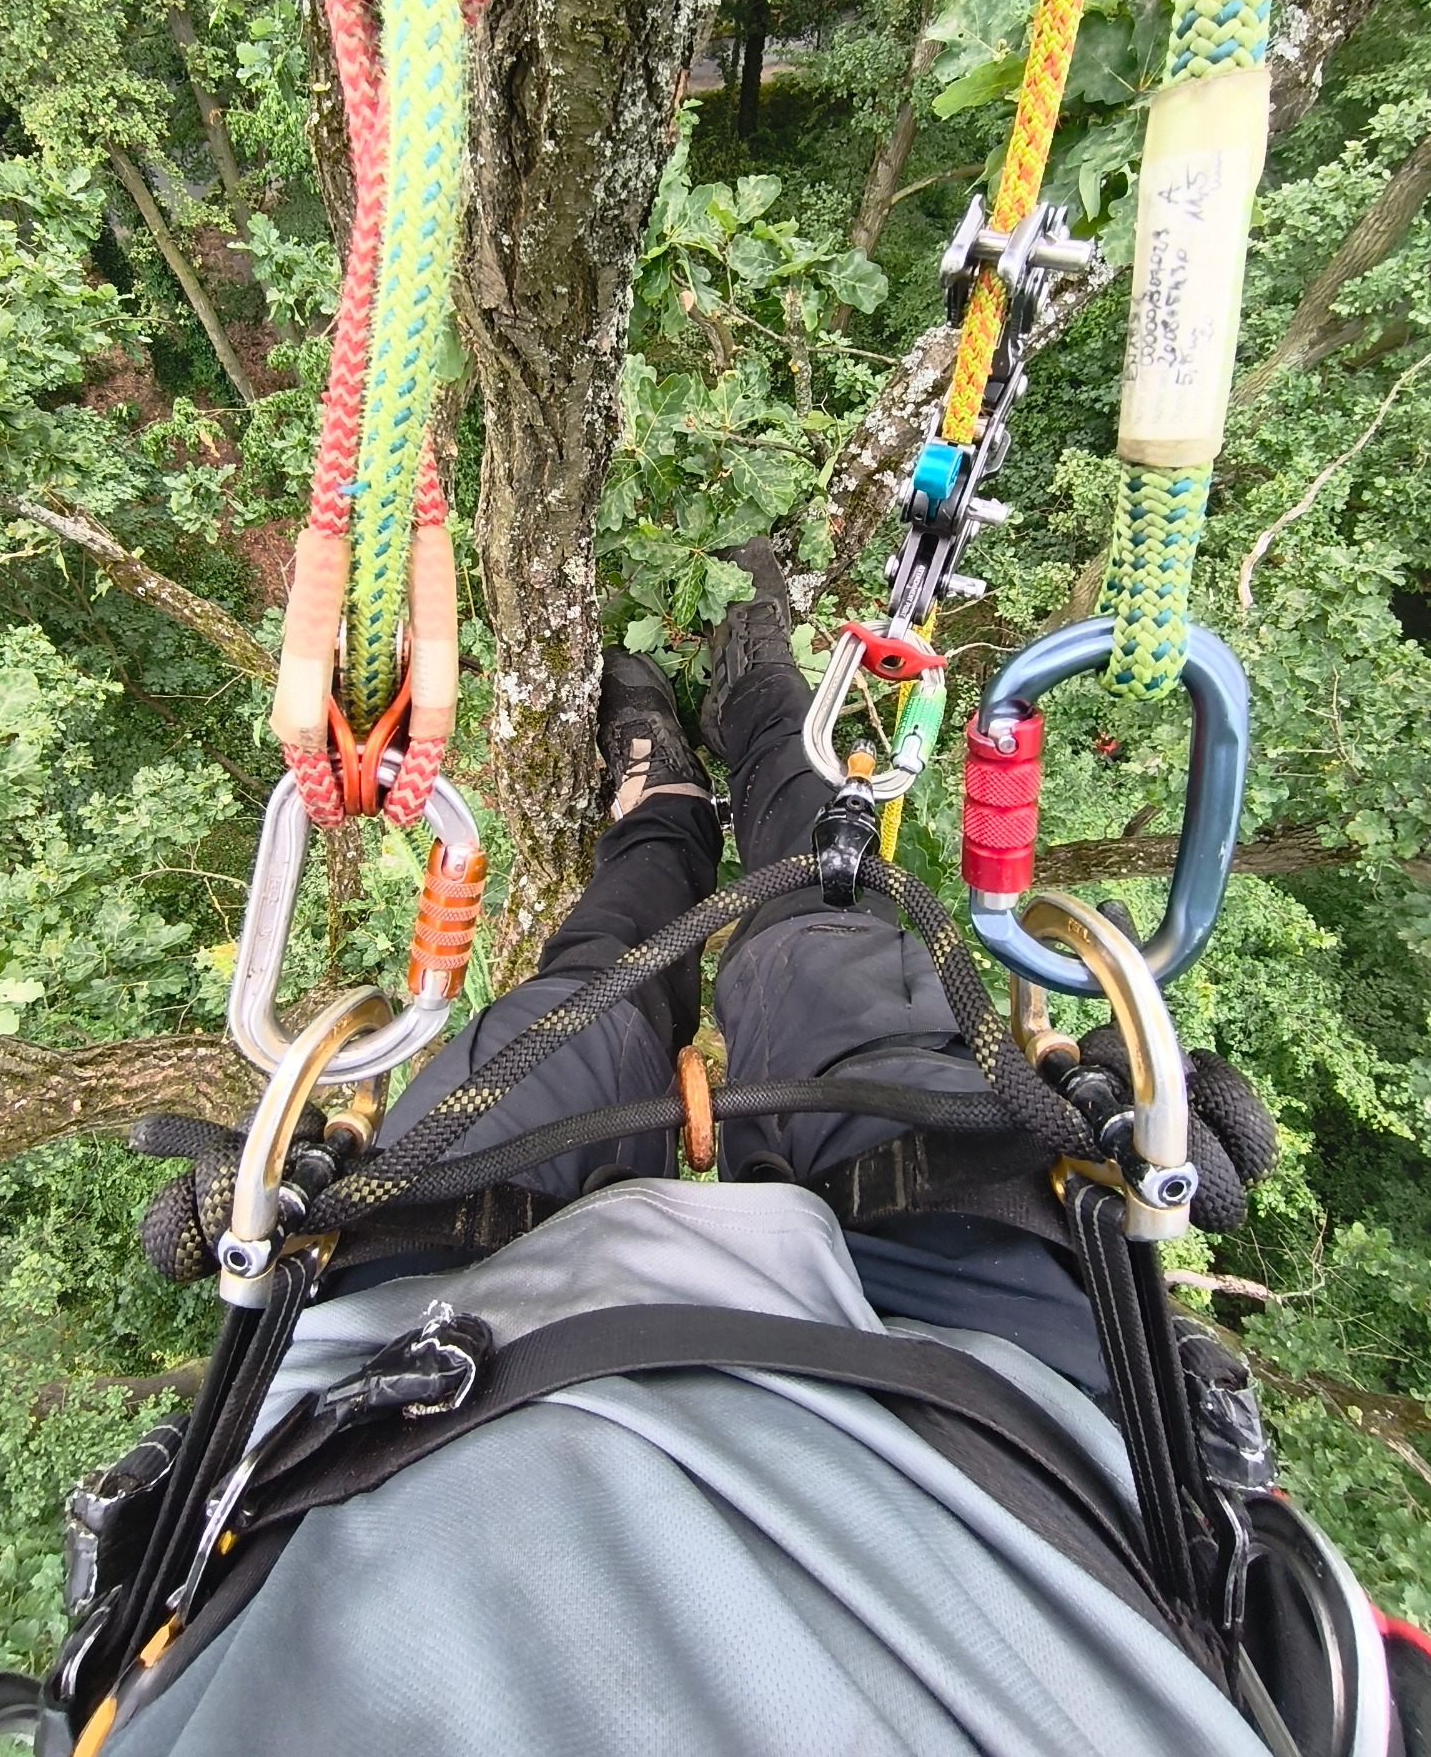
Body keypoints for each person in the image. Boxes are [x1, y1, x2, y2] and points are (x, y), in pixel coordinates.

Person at [95, 546, 1386, 1757]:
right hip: (1008, 1424)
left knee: (592, 987)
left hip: (397, 1379)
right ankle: (757, 700)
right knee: (813, 935)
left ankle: (662, 789)